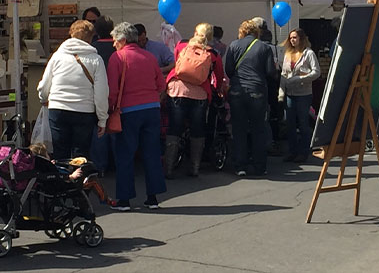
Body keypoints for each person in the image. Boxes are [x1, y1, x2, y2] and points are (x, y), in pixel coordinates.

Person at [107, 22, 167, 211]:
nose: (113, 44)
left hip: (128, 111)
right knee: (152, 153)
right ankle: (153, 197)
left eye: (115, 40)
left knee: (125, 155)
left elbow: (113, 90)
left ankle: (124, 200)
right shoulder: (149, 56)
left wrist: (109, 110)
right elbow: (161, 84)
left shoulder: (117, 58)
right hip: (151, 109)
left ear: (123, 40)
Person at [38, 20, 109, 161]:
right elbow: (101, 93)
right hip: (84, 111)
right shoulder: (96, 59)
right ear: (91, 37)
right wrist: (102, 119)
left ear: (71, 34)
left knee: (60, 153)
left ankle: (62, 182)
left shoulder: (57, 56)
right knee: (81, 155)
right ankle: (78, 181)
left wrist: (43, 98)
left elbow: (45, 84)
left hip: (58, 108)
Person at [163, 23, 225, 178]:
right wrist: (217, 90)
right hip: (200, 95)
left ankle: (169, 168)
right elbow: (218, 77)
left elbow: (178, 65)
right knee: (198, 130)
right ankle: (195, 168)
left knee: (174, 129)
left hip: (177, 90)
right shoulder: (213, 55)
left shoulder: (181, 46)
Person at [224, 19, 278, 177]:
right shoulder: (264, 47)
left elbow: (228, 69)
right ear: (257, 32)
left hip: (237, 90)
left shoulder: (234, 45)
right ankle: (260, 166)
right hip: (257, 90)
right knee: (258, 129)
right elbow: (270, 72)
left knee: (239, 129)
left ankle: (240, 165)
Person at [278, 28, 321, 163]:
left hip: (303, 93)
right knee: (290, 123)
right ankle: (292, 151)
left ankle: (304, 152)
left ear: (301, 39)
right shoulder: (288, 54)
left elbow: (316, 72)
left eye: (295, 38)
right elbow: (284, 74)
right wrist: (281, 91)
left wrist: (302, 78)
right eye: (291, 38)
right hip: (290, 93)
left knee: (303, 123)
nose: (292, 40)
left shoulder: (309, 54)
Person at [251, 17, 282, 157]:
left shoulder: (254, 44)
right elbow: (276, 68)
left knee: (263, 114)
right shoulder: (272, 47)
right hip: (271, 81)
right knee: (272, 113)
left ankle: (265, 142)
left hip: (260, 82)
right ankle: (273, 141)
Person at [90, 15, 116, 175]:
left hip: (95, 94)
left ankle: (99, 167)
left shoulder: (92, 49)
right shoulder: (118, 48)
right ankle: (117, 163)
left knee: (99, 131)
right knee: (114, 129)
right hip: (116, 94)